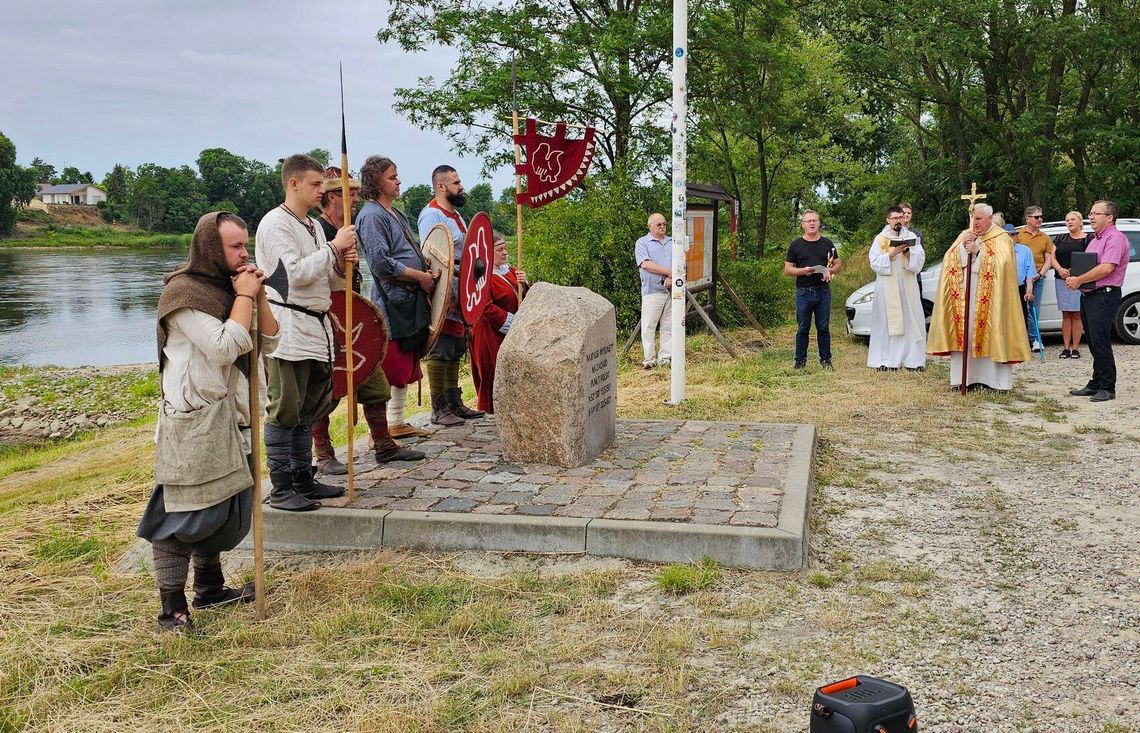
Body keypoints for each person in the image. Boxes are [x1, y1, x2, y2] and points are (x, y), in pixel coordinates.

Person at [138, 212, 279, 632]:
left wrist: (259, 295)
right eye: (236, 247)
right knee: (182, 517)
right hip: (194, 421)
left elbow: (269, 341)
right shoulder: (182, 295)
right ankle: (171, 609)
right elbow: (223, 347)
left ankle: (211, 589)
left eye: (245, 245)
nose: (244, 253)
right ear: (211, 249)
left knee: (223, 507)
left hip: (233, 417)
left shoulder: (230, 289)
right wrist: (245, 297)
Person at [255, 153, 357, 511]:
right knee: (286, 408)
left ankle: (302, 478)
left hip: (316, 323)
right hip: (288, 326)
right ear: (293, 183)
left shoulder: (313, 226)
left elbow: (324, 278)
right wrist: (333, 247)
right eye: (315, 185)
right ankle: (282, 488)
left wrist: (343, 265)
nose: (321, 191)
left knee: (308, 408)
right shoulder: (274, 224)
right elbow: (294, 274)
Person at [312, 167, 424, 474]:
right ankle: (322, 453)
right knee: (326, 390)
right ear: (331, 197)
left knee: (375, 384)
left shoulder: (347, 227)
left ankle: (384, 445)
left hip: (353, 320)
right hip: (324, 321)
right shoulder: (317, 230)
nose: (354, 198)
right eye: (347, 193)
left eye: (355, 192)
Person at [356, 156, 436, 439]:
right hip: (393, 301)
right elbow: (380, 264)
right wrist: (419, 277)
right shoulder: (371, 215)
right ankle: (387, 427)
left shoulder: (395, 213)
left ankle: (398, 421)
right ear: (376, 181)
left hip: (409, 298)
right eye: (392, 177)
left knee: (405, 360)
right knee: (393, 362)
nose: (398, 181)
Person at [928, 203, 1030, 390]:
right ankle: (963, 379)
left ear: (990, 219)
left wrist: (979, 252)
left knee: (993, 332)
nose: (975, 223)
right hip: (966, 295)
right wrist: (961, 248)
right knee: (966, 332)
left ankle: (994, 381)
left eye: (979, 219)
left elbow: (1003, 265)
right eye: (974, 218)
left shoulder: (1001, 238)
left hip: (992, 299)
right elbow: (949, 259)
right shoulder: (965, 234)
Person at [417, 164, 485, 426]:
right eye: (456, 183)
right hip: (445, 289)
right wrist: (444, 291)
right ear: (441, 186)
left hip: (462, 287)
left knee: (456, 347)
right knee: (441, 347)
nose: (461, 187)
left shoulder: (457, 216)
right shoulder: (432, 215)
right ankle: (439, 408)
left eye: (460, 181)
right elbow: (432, 255)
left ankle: (454, 403)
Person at [1065, 200, 1129, 402]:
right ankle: (1096, 382)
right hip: (1089, 295)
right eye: (1090, 213)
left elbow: (1106, 268)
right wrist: (1072, 274)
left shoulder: (1115, 238)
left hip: (1104, 296)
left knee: (1100, 342)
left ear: (1109, 217)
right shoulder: (1095, 239)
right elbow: (1089, 265)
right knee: (1092, 341)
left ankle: (1108, 387)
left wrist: (1079, 280)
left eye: (1096, 213)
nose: (1090, 217)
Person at [470, 232, 529, 413]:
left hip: (510, 333)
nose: (505, 253)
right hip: (489, 332)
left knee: (512, 375)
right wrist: (513, 323)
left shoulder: (510, 271)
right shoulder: (482, 275)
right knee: (492, 375)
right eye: (500, 249)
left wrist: (525, 283)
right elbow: (485, 307)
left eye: (505, 248)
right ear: (488, 252)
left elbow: (524, 298)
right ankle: (489, 415)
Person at [867, 206, 926, 370]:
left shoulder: (911, 236)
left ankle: (912, 360)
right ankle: (888, 360)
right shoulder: (880, 239)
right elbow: (874, 263)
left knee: (910, 321)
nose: (898, 220)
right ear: (888, 220)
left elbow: (919, 260)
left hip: (908, 286)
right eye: (894, 218)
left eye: (900, 217)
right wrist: (892, 254)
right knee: (888, 322)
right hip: (887, 286)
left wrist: (907, 253)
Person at [784, 210, 841, 369]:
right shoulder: (796, 245)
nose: (812, 223)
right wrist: (803, 271)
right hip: (803, 292)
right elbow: (788, 269)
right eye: (808, 221)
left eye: (814, 220)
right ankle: (800, 361)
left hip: (823, 291)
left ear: (819, 223)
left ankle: (826, 360)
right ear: (803, 225)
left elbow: (837, 264)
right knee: (803, 327)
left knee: (823, 327)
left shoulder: (827, 243)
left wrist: (829, 271)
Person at [634, 213, 672, 369]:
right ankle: (649, 359)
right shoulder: (643, 243)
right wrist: (668, 272)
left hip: (671, 289)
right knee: (649, 325)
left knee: (668, 325)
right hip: (652, 290)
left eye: (664, 224)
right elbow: (646, 265)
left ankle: (665, 357)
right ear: (650, 226)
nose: (662, 227)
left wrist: (672, 275)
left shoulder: (672, 242)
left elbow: (680, 262)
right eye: (659, 225)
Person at [1013, 206, 1054, 352]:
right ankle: (1028, 339)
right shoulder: (1019, 234)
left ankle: (1035, 340)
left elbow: (1049, 258)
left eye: (1041, 217)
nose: (1040, 219)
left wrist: (1040, 274)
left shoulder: (1045, 237)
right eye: (1037, 217)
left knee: (1034, 309)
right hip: (1020, 279)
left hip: (1038, 277)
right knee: (1022, 309)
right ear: (1028, 219)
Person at [1051, 210, 1089, 358]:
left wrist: (1076, 271)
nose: (1070, 222)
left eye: (1073, 219)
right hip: (1061, 279)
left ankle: (1076, 348)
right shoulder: (1060, 238)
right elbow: (1052, 256)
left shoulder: (1088, 239)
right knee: (1066, 314)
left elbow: (1091, 258)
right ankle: (1066, 348)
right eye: (1067, 220)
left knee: (1077, 314)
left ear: (1080, 222)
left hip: (1079, 280)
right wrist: (1060, 269)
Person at [900, 201, 929, 318]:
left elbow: (921, 253)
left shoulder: (916, 233)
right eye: (904, 212)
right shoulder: (893, 231)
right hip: (900, 271)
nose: (906, 215)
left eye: (909, 213)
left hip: (914, 273)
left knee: (916, 303)